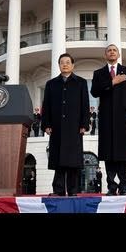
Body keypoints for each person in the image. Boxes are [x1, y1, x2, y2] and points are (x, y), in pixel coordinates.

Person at [91, 44, 126, 196]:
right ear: (105, 55)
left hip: (124, 118)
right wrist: (112, 82)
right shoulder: (99, 73)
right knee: (108, 152)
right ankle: (111, 186)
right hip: (106, 118)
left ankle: (124, 186)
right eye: (109, 50)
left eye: (114, 50)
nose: (112, 52)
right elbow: (94, 92)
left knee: (123, 153)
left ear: (118, 54)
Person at [41, 53, 90, 197]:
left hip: (74, 127)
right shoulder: (51, 84)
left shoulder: (81, 82)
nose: (65, 64)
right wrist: (46, 124)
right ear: (59, 65)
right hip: (56, 127)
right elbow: (46, 105)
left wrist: (84, 124)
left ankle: (73, 190)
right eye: (62, 62)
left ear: (72, 65)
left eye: (68, 62)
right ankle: (59, 190)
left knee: (73, 160)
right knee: (58, 160)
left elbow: (85, 104)